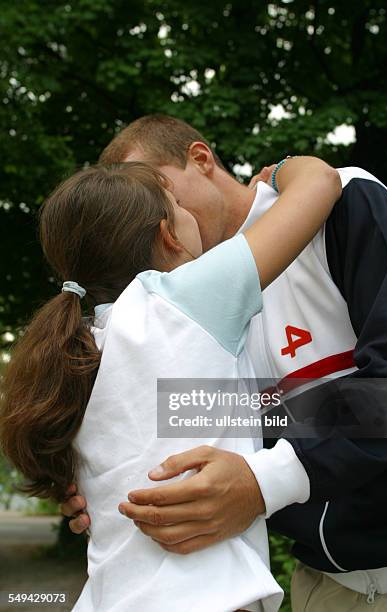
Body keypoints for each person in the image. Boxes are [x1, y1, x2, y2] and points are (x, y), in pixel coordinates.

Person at [62, 114, 387, 611]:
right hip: (320, 586)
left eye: (158, 190)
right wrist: (109, 482)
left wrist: (263, 481)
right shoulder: (180, 309)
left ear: (200, 159)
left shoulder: (347, 202)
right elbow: (214, 426)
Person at [0, 157, 341, 611]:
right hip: (208, 597)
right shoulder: (183, 299)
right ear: (169, 235)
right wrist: (278, 172)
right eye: (178, 205)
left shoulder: (76, 352)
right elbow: (321, 181)